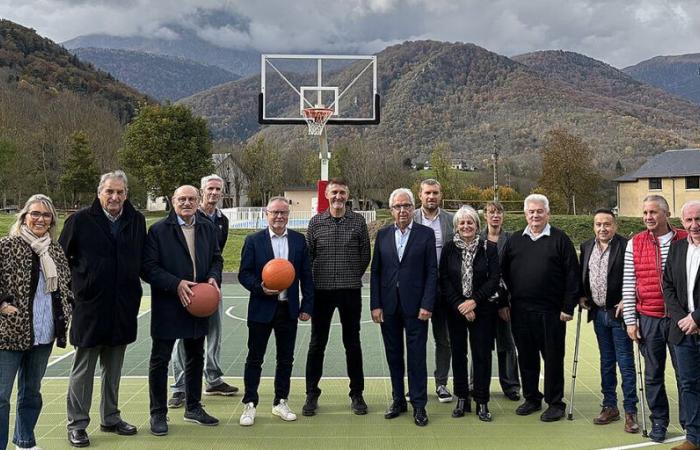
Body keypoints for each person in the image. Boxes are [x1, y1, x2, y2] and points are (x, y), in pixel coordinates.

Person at [60, 171, 145, 447]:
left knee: (114, 367)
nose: (115, 197)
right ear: (99, 193)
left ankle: (110, 417)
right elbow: (61, 259)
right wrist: (78, 289)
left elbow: (141, 260)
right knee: (83, 369)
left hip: (123, 306)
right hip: (90, 307)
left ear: (126, 194)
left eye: (120, 192)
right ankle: (77, 424)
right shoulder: (80, 220)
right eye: (110, 192)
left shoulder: (136, 220)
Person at [142, 185, 223, 436]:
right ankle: (158, 413)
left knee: (195, 355)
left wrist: (212, 277)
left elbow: (217, 259)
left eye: (191, 199)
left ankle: (194, 406)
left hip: (198, 303)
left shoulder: (208, 227)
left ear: (198, 200)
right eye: (181, 199)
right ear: (173, 201)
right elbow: (148, 268)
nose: (187, 203)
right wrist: (176, 284)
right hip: (169, 303)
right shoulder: (158, 231)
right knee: (160, 359)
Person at [0, 195, 73, 450]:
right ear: (24, 216)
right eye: (35, 214)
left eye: (46, 215)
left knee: (31, 393)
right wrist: (3, 305)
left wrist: (67, 307)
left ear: (52, 219)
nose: (40, 219)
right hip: (10, 334)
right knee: (0, 396)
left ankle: (25, 441)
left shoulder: (54, 249)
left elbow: (66, 285)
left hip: (43, 334)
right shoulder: (7, 245)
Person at [501, 194, 580, 422]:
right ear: (525, 214)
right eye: (531, 212)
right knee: (526, 357)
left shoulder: (560, 239)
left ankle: (555, 403)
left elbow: (572, 276)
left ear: (548, 213)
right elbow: (503, 275)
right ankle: (532, 398)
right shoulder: (515, 240)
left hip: (552, 312)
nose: (535, 215)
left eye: (539, 211)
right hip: (521, 311)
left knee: (553, 358)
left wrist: (568, 306)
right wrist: (505, 302)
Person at [238, 197, 314, 426]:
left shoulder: (300, 241)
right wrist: (260, 287)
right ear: (266, 214)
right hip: (261, 308)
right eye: (275, 212)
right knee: (255, 357)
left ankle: (281, 401)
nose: (279, 216)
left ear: (288, 215)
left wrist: (307, 306)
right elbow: (244, 274)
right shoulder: (253, 241)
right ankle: (250, 403)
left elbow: (307, 277)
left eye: (283, 212)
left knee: (285, 359)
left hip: (287, 309)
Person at [622, 194, 687, 443]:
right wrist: (630, 319)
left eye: (653, 212)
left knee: (686, 374)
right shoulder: (635, 243)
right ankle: (659, 421)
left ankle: (690, 422)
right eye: (645, 213)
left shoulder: (685, 238)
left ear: (666, 214)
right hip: (649, 317)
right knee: (652, 375)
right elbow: (629, 284)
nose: (648, 217)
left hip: (680, 319)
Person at [303, 178, 370, 416]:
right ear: (327, 195)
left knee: (352, 343)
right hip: (322, 292)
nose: (338, 197)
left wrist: (352, 275)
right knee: (317, 343)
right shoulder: (316, 223)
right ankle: (311, 393)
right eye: (334, 193)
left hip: (350, 290)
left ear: (347, 195)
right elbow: (308, 257)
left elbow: (365, 255)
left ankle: (357, 394)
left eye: (342, 192)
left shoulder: (358, 221)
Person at [370, 188, 437, 427]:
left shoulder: (425, 234)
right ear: (391, 210)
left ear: (413, 208)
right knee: (394, 355)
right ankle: (398, 399)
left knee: (417, 357)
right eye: (398, 206)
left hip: (417, 307)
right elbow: (376, 271)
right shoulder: (383, 235)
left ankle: (419, 404)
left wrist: (427, 303)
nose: (402, 210)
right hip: (388, 307)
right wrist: (375, 305)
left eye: (406, 206)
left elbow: (432, 272)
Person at [169, 174, 236, 409]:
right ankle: (179, 387)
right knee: (183, 337)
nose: (215, 193)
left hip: (210, 286)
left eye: (219, 189)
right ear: (201, 191)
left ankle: (213, 378)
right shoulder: (187, 216)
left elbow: (216, 256)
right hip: (187, 287)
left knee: (215, 333)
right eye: (211, 188)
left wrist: (213, 278)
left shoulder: (221, 221)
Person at [579, 209, 639, 433]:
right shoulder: (586, 246)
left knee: (625, 362)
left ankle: (630, 410)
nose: (602, 228)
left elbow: (636, 275)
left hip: (619, 313)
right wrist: (582, 295)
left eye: (607, 224)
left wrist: (628, 298)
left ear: (615, 226)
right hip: (598, 313)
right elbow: (582, 274)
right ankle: (609, 406)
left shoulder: (626, 246)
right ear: (593, 226)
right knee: (606, 361)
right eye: (598, 224)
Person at [440, 206, 501, 421]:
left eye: (470, 222)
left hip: (483, 309)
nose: (466, 226)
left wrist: (474, 302)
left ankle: (482, 401)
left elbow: (494, 279)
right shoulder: (448, 249)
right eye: (462, 223)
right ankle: (462, 398)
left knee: (482, 355)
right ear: (456, 227)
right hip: (456, 310)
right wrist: (461, 305)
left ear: (477, 225)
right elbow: (445, 280)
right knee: (458, 354)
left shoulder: (489, 248)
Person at [663, 200, 700, 450]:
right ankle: (695, 439)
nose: (694, 225)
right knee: (689, 385)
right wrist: (682, 319)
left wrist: (697, 318)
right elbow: (667, 286)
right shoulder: (676, 249)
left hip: (695, 322)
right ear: (682, 222)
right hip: (683, 332)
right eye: (689, 220)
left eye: (699, 219)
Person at [412, 178, 454, 403]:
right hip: (418, 290)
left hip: (444, 290)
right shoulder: (411, 218)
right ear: (420, 195)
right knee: (416, 339)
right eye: (427, 193)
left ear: (441, 195)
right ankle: (415, 385)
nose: (431, 197)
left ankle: (441, 384)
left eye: (435, 193)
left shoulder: (451, 220)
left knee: (443, 339)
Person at [480, 200, 521, 401]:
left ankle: (511, 385)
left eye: (498, 213)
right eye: (491, 212)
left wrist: (505, 300)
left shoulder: (512, 239)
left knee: (507, 344)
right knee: (481, 344)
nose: (495, 216)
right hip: (482, 300)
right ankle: (477, 384)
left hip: (506, 301)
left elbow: (514, 272)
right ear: (484, 215)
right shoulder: (477, 238)